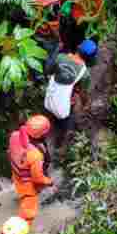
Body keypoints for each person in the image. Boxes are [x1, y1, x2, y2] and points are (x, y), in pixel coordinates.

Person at [43, 39, 98, 168]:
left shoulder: (61, 57)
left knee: (50, 118)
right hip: (62, 108)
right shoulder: (84, 73)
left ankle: (46, 136)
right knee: (68, 124)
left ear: (78, 47)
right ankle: (59, 148)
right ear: (91, 58)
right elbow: (82, 92)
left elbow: (48, 70)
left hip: (49, 99)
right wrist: (85, 103)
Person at [8, 115, 54, 222]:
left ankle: (21, 201)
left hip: (16, 176)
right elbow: (38, 178)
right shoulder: (35, 155)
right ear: (42, 135)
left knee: (22, 196)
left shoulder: (14, 135)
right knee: (28, 214)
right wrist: (49, 181)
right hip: (28, 187)